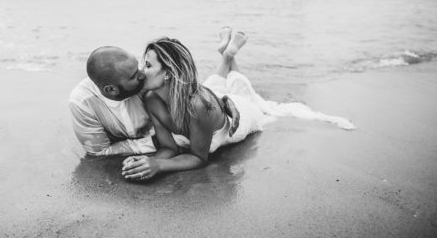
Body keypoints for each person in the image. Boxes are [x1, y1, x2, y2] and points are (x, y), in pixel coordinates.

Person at [121, 28, 355, 181]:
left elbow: (198, 158)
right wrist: (147, 163)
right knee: (217, 85)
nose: (142, 71)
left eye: (148, 66)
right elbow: (169, 148)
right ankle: (226, 54)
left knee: (245, 92)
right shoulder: (152, 99)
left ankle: (229, 55)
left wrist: (160, 167)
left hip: (240, 118)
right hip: (208, 100)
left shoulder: (197, 106)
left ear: (169, 74)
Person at [68, 41, 240, 156]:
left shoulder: (143, 80)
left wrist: (220, 101)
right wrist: (158, 147)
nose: (142, 73)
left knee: (230, 85)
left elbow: (183, 84)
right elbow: (99, 152)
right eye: (134, 75)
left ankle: (227, 58)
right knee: (222, 81)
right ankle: (227, 57)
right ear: (111, 89)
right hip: (166, 141)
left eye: (142, 66)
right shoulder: (82, 103)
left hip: (205, 122)